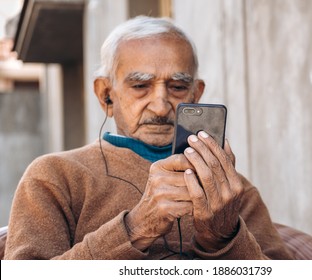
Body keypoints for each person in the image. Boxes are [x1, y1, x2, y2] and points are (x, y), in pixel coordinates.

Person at [4, 16, 292, 260]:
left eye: (178, 86)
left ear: (197, 95)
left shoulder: (231, 189)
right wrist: (135, 228)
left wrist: (224, 236)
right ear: (106, 94)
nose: (160, 105)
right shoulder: (54, 177)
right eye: (140, 86)